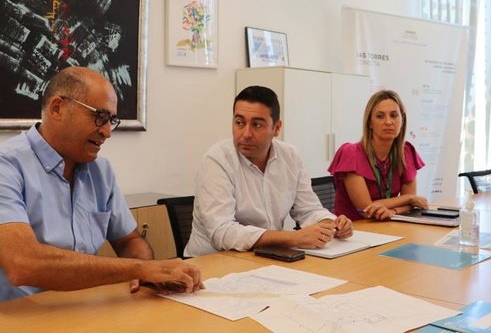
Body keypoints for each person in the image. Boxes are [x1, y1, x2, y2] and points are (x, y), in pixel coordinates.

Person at [0, 67, 203, 303]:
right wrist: (138, 269)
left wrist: (149, 271)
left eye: (111, 120)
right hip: (21, 316)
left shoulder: (100, 171)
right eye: (99, 117)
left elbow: (130, 241)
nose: (107, 132)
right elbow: (23, 264)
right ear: (57, 108)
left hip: (87, 308)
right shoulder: (7, 166)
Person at [184, 86, 353, 257]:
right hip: (211, 263)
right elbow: (223, 233)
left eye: (257, 125)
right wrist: (293, 238)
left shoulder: (290, 156)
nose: (246, 134)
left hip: (266, 257)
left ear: (277, 128)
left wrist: (331, 224)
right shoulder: (217, 160)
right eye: (240, 123)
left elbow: (308, 209)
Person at [328, 89, 429, 221]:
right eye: (380, 116)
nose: (388, 122)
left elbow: (410, 205)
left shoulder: (406, 152)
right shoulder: (351, 153)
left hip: (388, 225)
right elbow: (366, 210)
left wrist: (393, 211)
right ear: (370, 123)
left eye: (394, 115)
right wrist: (410, 198)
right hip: (353, 230)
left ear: (402, 120)